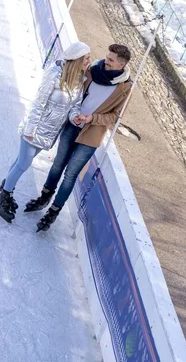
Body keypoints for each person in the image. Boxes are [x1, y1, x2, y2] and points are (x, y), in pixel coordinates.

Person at [25, 44, 133, 232]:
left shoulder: (124, 88)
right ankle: (45, 196)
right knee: (58, 164)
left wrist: (93, 118)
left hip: (90, 136)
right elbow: (73, 90)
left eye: (111, 60)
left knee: (70, 174)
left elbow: (115, 117)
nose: (105, 60)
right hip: (72, 125)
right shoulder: (92, 71)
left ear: (121, 64)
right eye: (107, 56)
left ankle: (53, 212)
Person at [0, 42, 92, 223]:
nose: (89, 61)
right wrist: (30, 129)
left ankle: (4, 189)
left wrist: (75, 117)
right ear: (77, 59)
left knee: (19, 163)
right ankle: (3, 197)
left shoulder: (79, 80)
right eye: (86, 58)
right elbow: (38, 103)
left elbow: (74, 106)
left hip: (48, 134)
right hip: (34, 129)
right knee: (23, 164)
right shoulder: (54, 75)